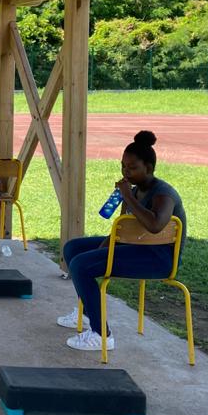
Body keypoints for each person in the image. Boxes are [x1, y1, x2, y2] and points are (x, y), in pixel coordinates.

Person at [57, 130, 186, 352]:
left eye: (132, 167)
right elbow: (124, 228)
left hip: (158, 259)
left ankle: (102, 335)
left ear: (149, 168)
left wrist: (126, 196)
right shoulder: (135, 192)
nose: (126, 172)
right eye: (123, 166)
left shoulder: (163, 194)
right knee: (73, 249)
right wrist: (106, 246)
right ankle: (88, 314)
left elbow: (156, 226)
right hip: (135, 247)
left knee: (81, 265)